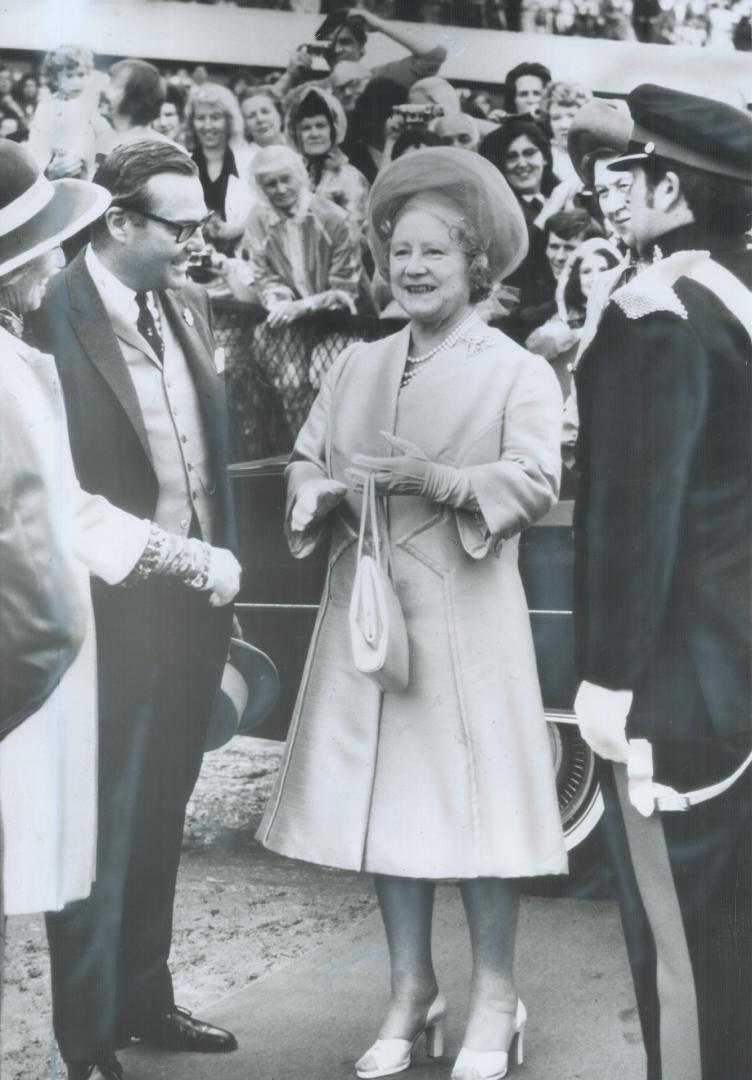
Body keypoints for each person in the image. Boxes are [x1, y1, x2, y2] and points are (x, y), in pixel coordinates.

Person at [257, 147, 567, 1080]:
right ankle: (410, 992)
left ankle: (498, 999)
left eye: (436, 252)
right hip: (372, 612)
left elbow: (536, 481)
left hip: (465, 616)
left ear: (477, 263)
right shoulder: (359, 361)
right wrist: (316, 493)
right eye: (400, 251)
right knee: (386, 806)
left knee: (476, 813)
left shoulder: (516, 370)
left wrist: (443, 479)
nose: (415, 268)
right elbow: (305, 458)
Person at [30, 138, 241, 1080]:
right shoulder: (48, 314)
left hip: (191, 615)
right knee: (97, 825)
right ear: (120, 222)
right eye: (181, 226)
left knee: (162, 812)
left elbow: (207, 456)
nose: (199, 241)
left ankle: (145, 999)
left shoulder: (185, 304)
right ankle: (86, 1037)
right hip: (103, 616)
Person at [572, 84, 752, 1080]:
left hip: (677, 682)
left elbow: (635, 512)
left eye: (623, 171)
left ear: (671, 188)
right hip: (737, 658)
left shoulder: (654, 310)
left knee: (683, 957)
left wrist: (605, 677)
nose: (609, 189)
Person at [229, 144, 364, 449]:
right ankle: (306, 455)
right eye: (269, 184)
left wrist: (302, 306)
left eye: (285, 179)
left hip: (342, 321)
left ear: (301, 176)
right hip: (293, 326)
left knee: (325, 379)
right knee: (290, 384)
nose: (279, 189)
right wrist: (278, 301)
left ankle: (342, 452)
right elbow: (264, 277)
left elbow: (346, 290)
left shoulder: (334, 219)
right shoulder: (258, 222)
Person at [284, 84, 370, 241]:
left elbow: (355, 232)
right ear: (295, 133)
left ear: (333, 129)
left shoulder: (350, 177)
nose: (314, 134)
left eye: (321, 126)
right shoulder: (290, 176)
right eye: (306, 128)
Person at [186, 82, 255, 256]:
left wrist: (239, 229)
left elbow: (265, 211)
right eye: (200, 118)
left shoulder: (248, 162)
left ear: (229, 121)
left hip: (241, 259)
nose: (207, 126)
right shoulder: (182, 163)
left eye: (215, 117)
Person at [28, 45, 114, 180]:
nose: (76, 82)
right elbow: (37, 143)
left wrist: (95, 158)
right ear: (55, 79)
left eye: (81, 75)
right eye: (69, 76)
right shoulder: (46, 106)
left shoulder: (89, 105)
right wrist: (46, 169)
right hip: (55, 166)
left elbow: (104, 134)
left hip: (84, 168)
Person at [106, 58, 168, 148]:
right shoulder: (99, 141)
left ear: (134, 97)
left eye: (113, 85)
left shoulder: (163, 151)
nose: (102, 90)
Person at [239, 86, 286, 163]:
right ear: (245, 126)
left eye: (265, 112)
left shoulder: (299, 147)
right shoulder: (243, 159)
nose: (260, 119)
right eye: (251, 116)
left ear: (280, 115)